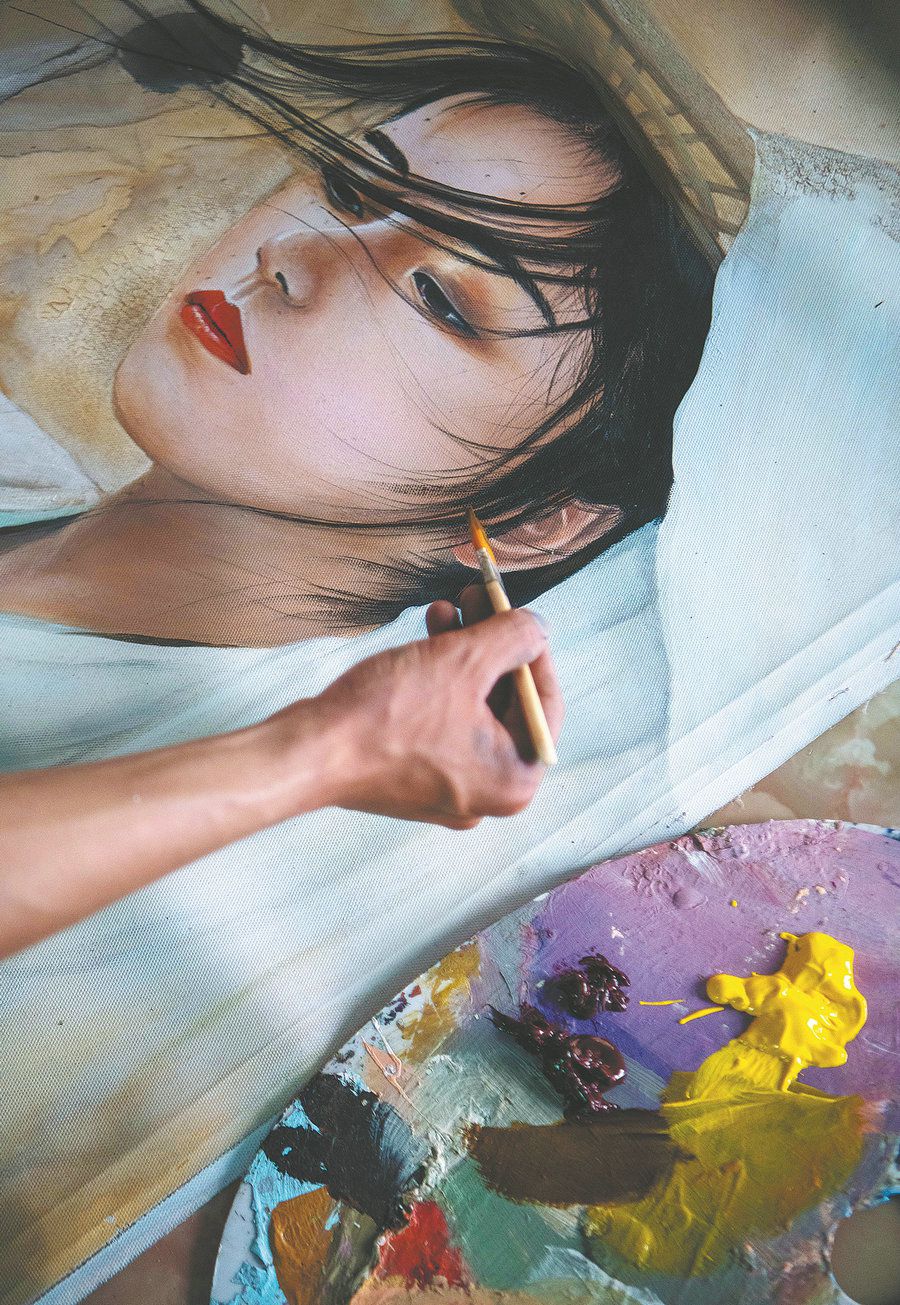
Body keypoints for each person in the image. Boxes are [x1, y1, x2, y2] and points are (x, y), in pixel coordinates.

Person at [0, 8, 714, 958]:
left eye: (440, 298)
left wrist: (319, 752)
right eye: (347, 184)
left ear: (539, 521)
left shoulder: (245, 870)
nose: (288, 258)